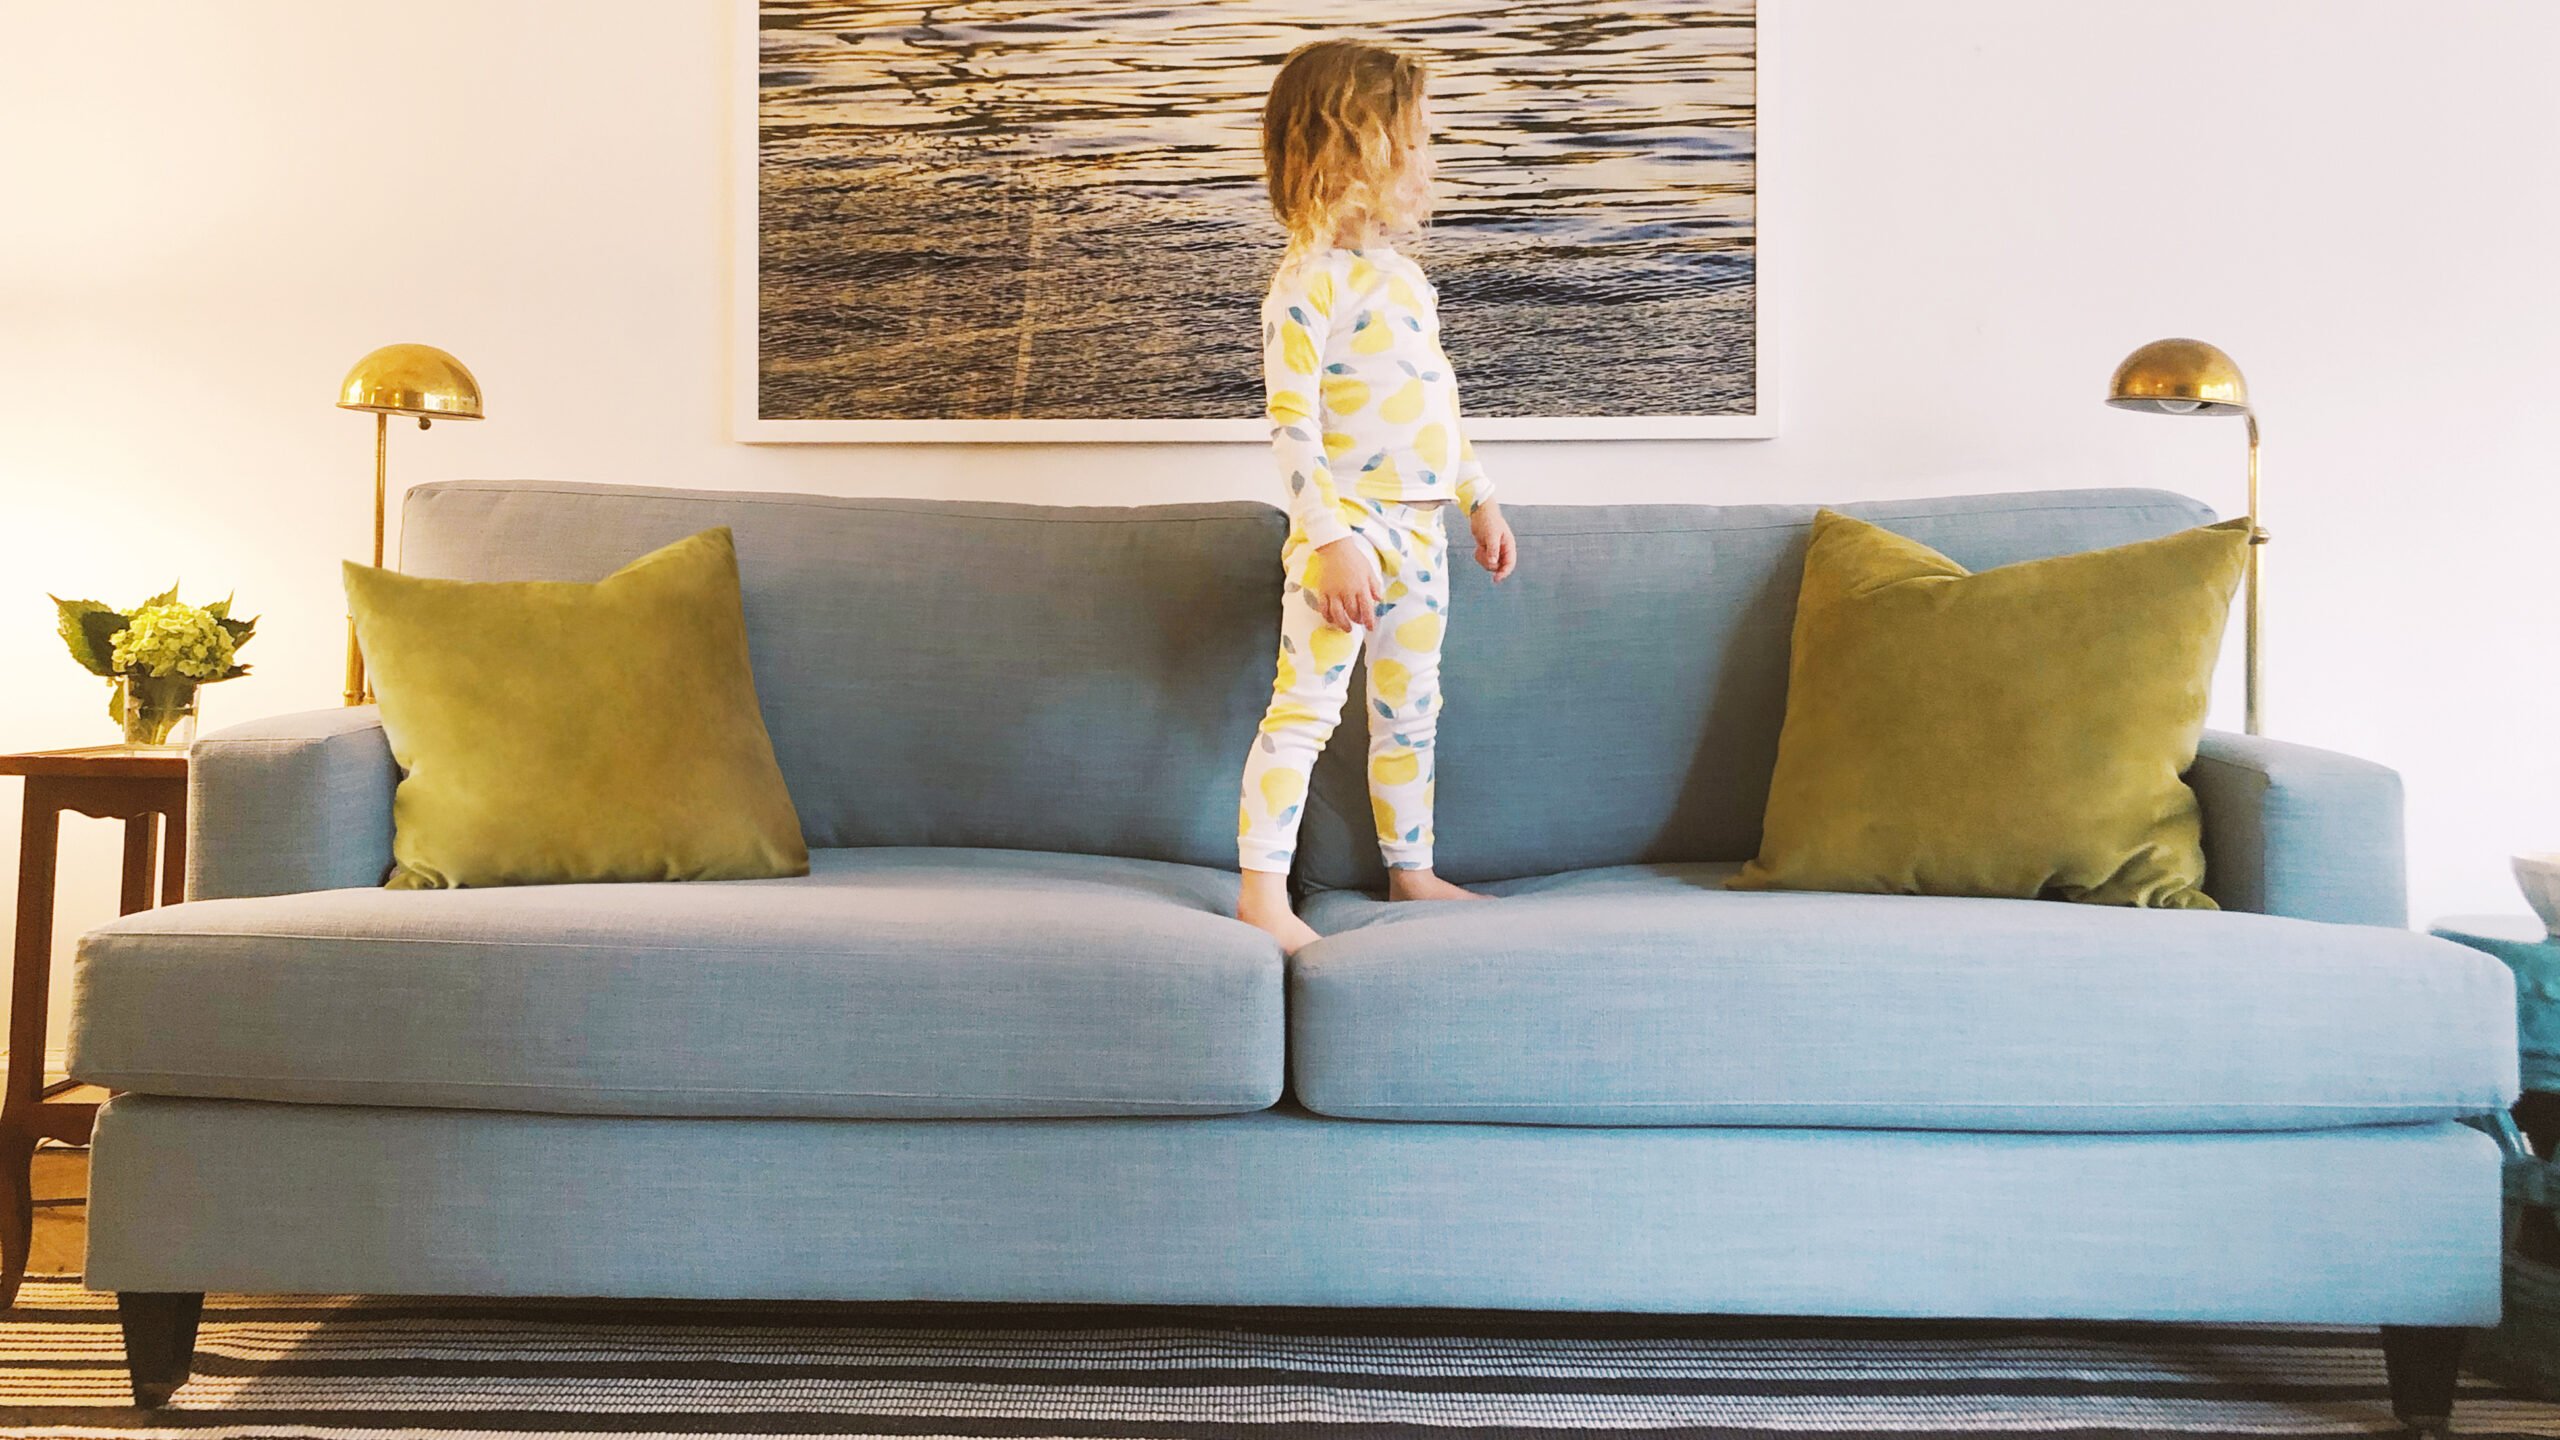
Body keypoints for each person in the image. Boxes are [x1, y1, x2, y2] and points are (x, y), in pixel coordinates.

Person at [1233, 37, 1520, 955]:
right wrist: (1328, 539)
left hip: (1424, 534)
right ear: (1349, 151)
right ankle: (1261, 894)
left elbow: (1438, 402)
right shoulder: (1303, 286)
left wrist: (1479, 495)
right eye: (1415, 139)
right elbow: (1292, 428)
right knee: (1306, 710)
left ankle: (1410, 869)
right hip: (1348, 530)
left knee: (1411, 710)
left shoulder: (1404, 280)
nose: (1428, 158)